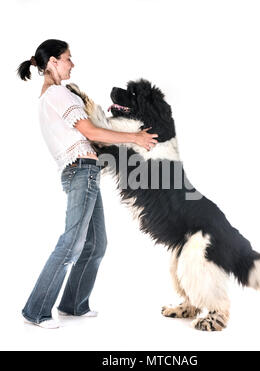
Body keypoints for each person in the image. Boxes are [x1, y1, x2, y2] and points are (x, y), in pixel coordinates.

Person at [16, 39, 158, 329]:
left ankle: (74, 304)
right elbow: (91, 131)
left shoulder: (52, 95)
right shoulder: (58, 94)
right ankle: (36, 310)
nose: (72, 64)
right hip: (80, 170)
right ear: (53, 62)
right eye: (68, 58)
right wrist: (135, 138)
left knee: (96, 243)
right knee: (72, 243)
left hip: (86, 171)